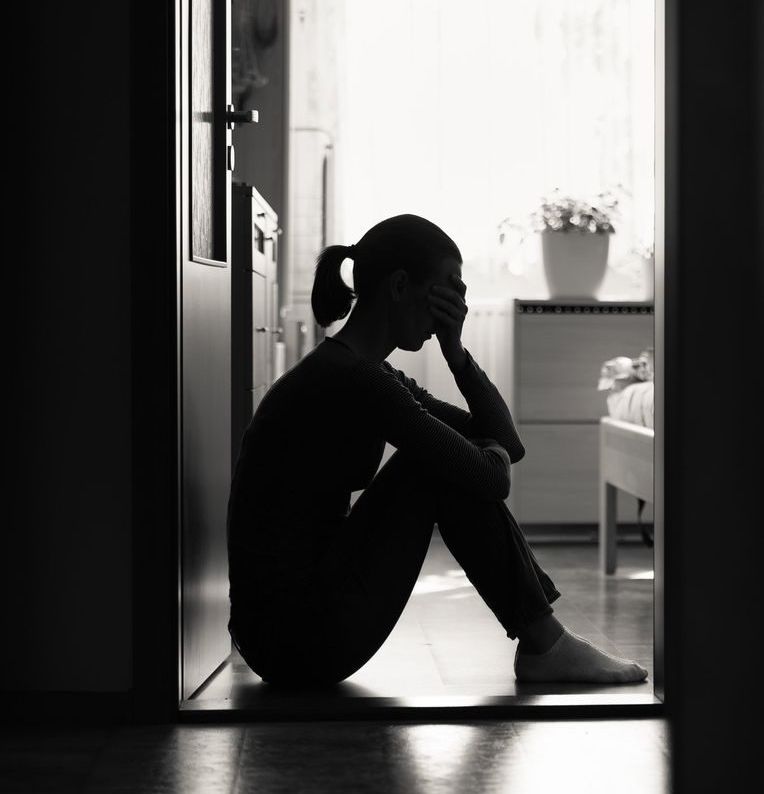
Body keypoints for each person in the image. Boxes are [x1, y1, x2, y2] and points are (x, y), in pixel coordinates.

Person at [225, 214, 648, 688]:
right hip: (295, 639)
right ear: (401, 286)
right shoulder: (355, 379)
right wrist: (486, 457)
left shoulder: (364, 372)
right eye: (447, 292)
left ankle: (544, 641)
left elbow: (507, 445)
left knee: (445, 461)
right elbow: (493, 476)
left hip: (287, 633)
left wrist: (457, 353)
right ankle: (545, 643)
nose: (455, 309)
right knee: (433, 468)